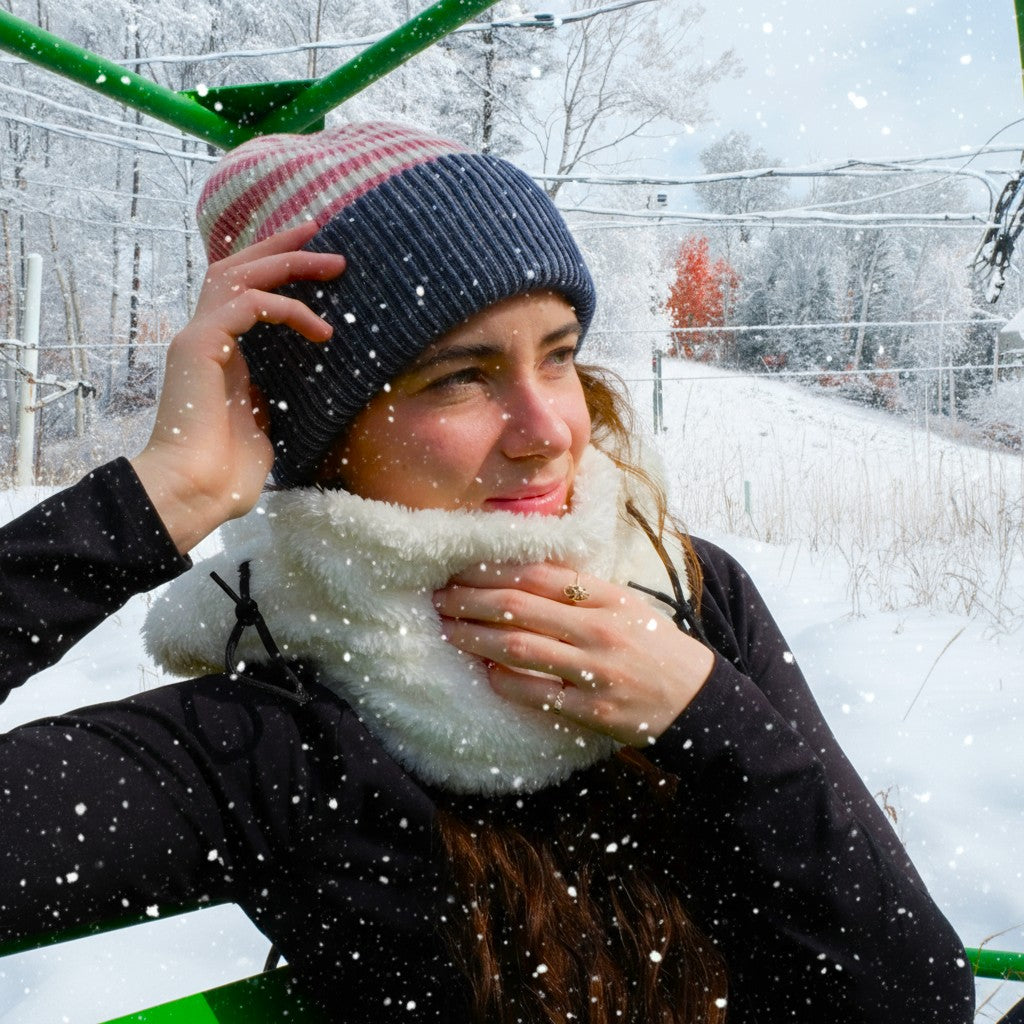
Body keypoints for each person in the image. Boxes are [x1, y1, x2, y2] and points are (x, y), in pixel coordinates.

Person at [0, 122, 974, 1024]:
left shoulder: (683, 590)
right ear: (324, 431)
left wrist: (703, 713)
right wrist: (162, 493)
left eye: (557, 358)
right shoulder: (274, 732)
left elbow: (914, 994)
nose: (549, 430)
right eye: (459, 376)